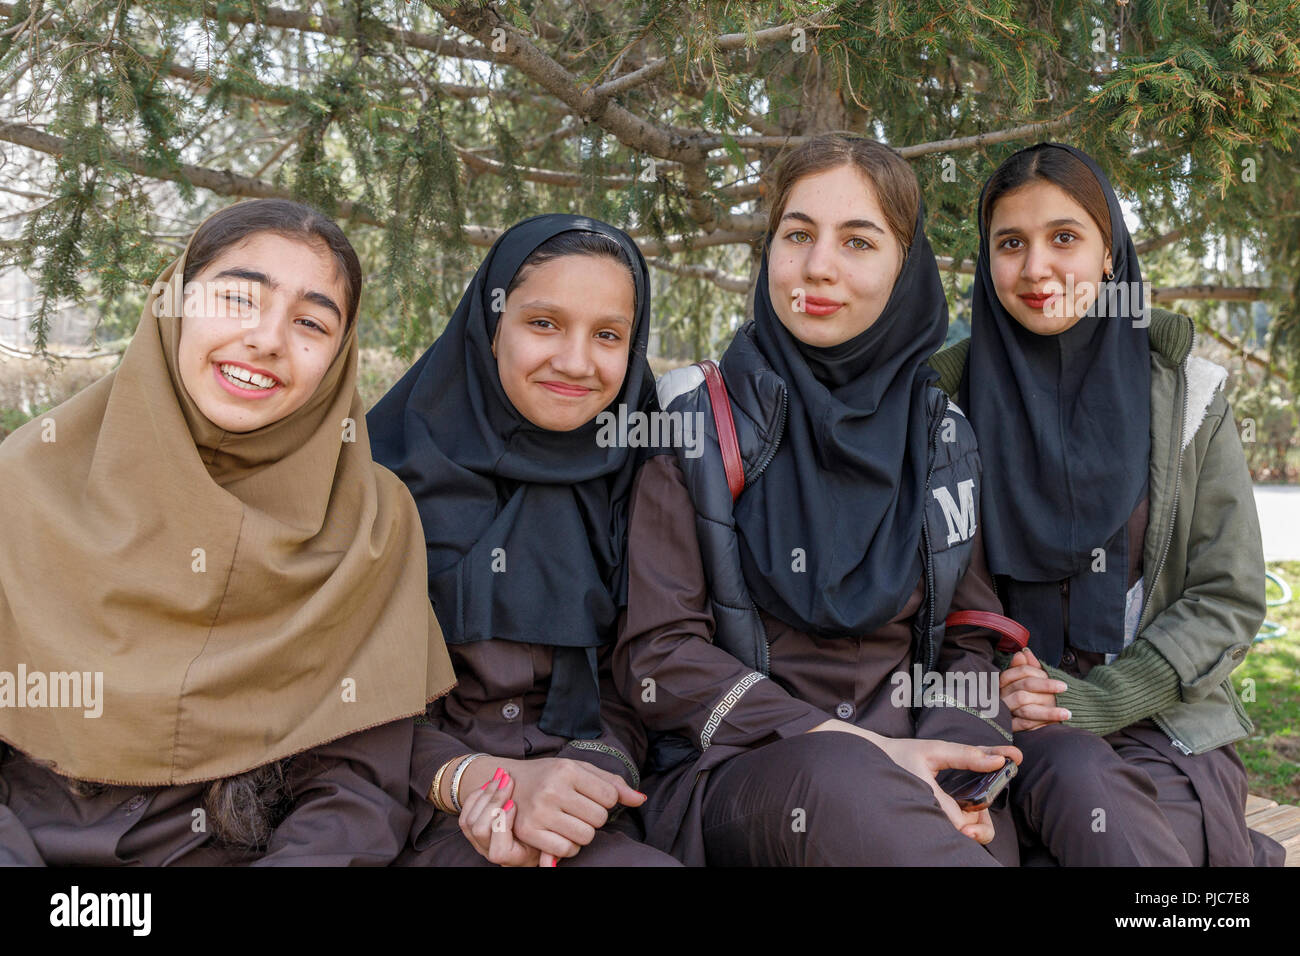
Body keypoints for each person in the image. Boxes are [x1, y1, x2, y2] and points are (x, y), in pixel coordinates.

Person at [0, 199, 456, 865]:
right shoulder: (25, 479)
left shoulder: (371, 521)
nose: (268, 339)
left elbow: (354, 789)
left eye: (310, 322)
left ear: (339, 355)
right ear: (174, 303)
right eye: (240, 298)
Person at [614, 134, 1022, 866]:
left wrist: (962, 776)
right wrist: (865, 751)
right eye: (797, 235)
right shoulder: (693, 418)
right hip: (741, 776)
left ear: (906, 266)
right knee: (844, 787)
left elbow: (968, 635)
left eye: (858, 242)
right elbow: (659, 656)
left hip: (919, 771)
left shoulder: (942, 436)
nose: (818, 267)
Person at [928, 142, 1285, 867]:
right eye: (1010, 244)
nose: (1036, 269)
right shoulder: (942, 408)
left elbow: (1227, 596)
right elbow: (923, 601)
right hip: (994, 728)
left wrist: (1105, 698)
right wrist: (994, 692)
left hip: (1166, 726)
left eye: (1065, 238)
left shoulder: (1186, 396)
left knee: (1120, 826)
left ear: (1109, 256)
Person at [368, 214, 679, 866]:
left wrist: (586, 777)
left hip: (587, 806)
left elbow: (639, 676)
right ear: (490, 328)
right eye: (543, 323)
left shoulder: (641, 472)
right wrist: (483, 783)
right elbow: (347, 700)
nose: (575, 361)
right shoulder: (384, 476)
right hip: (410, 806)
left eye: (607, 335)